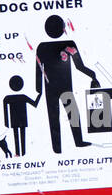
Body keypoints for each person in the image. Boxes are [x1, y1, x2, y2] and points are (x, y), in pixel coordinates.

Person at [34, 15, 99, 154]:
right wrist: (93, 75)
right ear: (62, 28)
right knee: (72, 114)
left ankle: (58, 149)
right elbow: (80, 66)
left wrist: (38, 90)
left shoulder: (42, 46)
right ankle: (77, 142)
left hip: (51, 88)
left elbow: (38, 70)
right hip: (64, 87)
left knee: (55, 117)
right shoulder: (68, 43)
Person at [2, 75, 39, 157]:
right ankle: (21, 153)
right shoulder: (22, 97)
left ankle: (19, 153)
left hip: (15, 121)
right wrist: (39, 95)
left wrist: (7, 123)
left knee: (17, 136)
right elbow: (35, 104)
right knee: (21, 136)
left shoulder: (8, 98)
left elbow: (5, 111)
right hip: (21, 120)